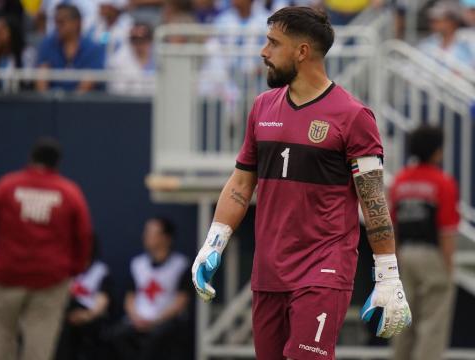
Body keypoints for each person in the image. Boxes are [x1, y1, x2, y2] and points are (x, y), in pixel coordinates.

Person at [192, 6, 411, 360]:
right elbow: (241, 182)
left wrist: (388, 273)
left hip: (324, 268)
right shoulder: (262, 108)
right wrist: (213, 243)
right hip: (268, 270)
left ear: (302, 51)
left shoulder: (354, 117)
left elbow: (373, 201)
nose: (264, 52)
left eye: (273, 43)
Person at [0, 137, 93, 360]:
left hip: (6, 276)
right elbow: (84, 235)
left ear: (31, 159)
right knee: (39, 344)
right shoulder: (69, 192)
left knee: (0, 336)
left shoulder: (7, 186)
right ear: (57, 164)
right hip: (50, 280)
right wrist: (74, 269)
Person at [390, 126, 459, 360]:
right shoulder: (443, 182)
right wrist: (448, 267)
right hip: (432, 256)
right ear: (438, 152)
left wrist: (396, 259)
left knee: (404, 321)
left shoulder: (399, 181)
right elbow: (446, 231)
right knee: (432, 324)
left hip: (405, 255)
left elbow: (393, 227)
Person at [111, 218, 191, 360]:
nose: (146, 237)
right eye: (146, 233)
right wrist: (136, 318)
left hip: (165, 322)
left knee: (157, 340)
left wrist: (155, 321)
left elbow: (181, 301)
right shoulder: (137, 264)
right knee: (115, 336)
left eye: (151, 233)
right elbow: (129, 298)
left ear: (166, 238)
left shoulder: (181, 265)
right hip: (138, 320)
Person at [56, 235, 113, 360]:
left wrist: (87, 315)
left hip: (89, 315)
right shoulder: (68, 269)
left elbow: (102, 301)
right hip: (67, 314)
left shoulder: (101, 271)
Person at [35, 3, 105, 93]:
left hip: (84, 105)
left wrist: (69, 104)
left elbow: (87, 84)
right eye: (56, 22)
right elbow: (41, 82)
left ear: (76, 23)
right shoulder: (47, 45)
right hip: (52, 103)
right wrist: (47, 103)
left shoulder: (94, 49)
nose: (57, 26)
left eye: (62, 22)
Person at [418, 0, 475, 70]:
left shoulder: (468, 41)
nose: (434, 24)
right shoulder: (426, 44)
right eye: (432, 20)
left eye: (440, 20)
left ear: (453, 21)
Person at [107, 22, 156, 96]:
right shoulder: (119, 60)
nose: (138, 43)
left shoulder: (161, 58)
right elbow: (117, 90)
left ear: (150, 39)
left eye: (142, 38)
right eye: (134, 39)